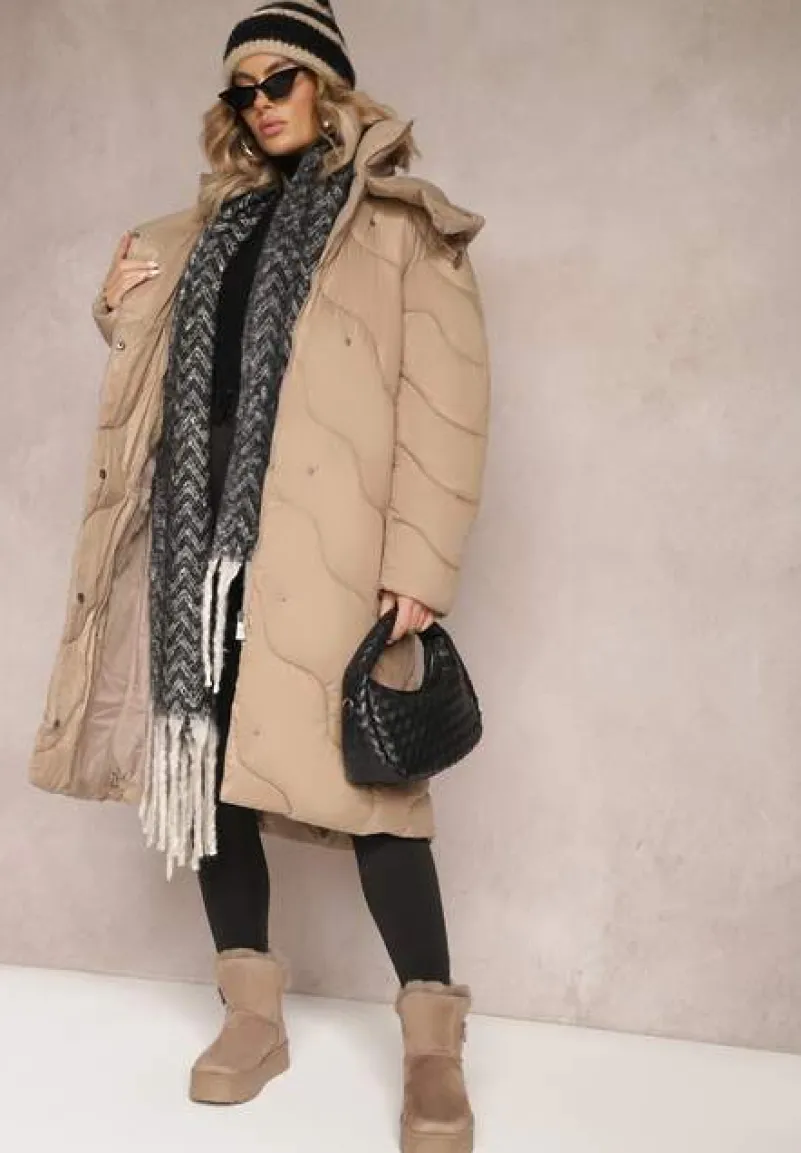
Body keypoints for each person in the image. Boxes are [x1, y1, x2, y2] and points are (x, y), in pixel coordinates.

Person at [29, 4, 490, 1150]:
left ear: (331, 87)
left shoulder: (399, 227)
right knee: (213, 770)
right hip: (198, 542)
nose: (261, 101)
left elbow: (448, 402)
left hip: (328, 541)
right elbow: (156, 372)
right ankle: (251, 1013)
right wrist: (118, 297)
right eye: (242, 88)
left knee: (378, 787)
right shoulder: (206, 228)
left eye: (282, 78)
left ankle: (433, 1046)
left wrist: (418, 563)